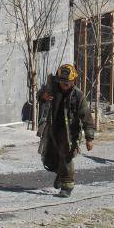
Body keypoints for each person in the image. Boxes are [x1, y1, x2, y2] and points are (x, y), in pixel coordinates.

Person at [37, 63, 95, 197]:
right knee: (48, 160)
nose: (65, 85)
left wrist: (89, 138)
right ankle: (60, 174)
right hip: (52, 129)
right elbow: (40, 96)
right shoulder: (52, 88)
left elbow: (86, 117)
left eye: (67, 82)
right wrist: (43, 97)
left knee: (66, 157)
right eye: (62, 82)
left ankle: (67, 186)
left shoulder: (78, 96)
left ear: (73, 81)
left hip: (69, 133)